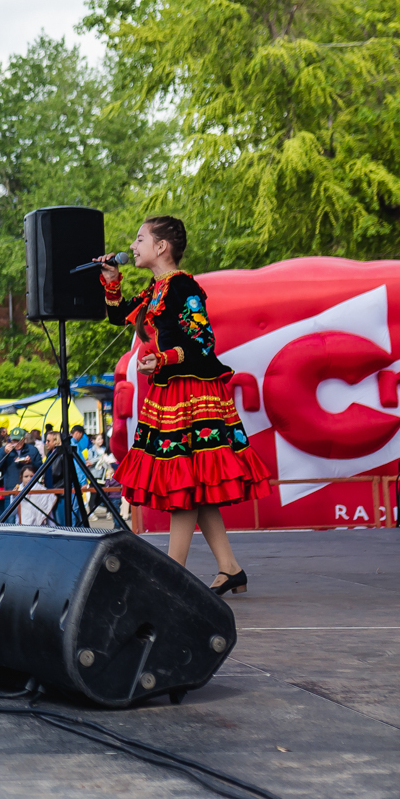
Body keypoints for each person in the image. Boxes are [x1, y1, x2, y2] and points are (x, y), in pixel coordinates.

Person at [100, 216, 271, 593]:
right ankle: (230, 568)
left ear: (161, 246)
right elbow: (117, 316)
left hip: (193, 393)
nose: (133, 246)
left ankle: (172, 577)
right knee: (195, 483)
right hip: (173, 392)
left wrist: (162, 359)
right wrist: (112, 280)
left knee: (184, 482)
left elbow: (203, 343)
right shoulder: (156, 288)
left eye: (140, 239)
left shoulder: (182, 286)